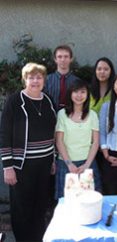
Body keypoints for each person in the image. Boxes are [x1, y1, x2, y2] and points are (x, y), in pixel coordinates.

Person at [0, 63, 56, 241]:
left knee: (40, 207)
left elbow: (53, 132)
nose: (35, 81)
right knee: (22, 209)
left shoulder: (48, 101)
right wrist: (7, 166)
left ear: (44, 81)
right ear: (25, 79)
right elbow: (4, 134)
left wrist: (53, 159)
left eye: (39, 77)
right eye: (31, 77)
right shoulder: (14, 101)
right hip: (21, 166)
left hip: (44, 165)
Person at [55, 79, 101, 199]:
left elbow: (95, 142)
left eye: (83, 92)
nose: (79, 95)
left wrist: (87, 164)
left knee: (89, 200)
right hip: (66, 164)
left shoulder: (93, 115)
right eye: (76, 92)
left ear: (87, 94)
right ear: (70, 93)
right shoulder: (62, 114)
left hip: (87, 163)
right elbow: (59, 141)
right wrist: (69, 164)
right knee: (66, 201)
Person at [44, 44, 78, 110]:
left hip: (70, 117)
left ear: (71, 59)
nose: (63, 59)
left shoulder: (77, 82)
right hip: (51, 116)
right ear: (55, 59)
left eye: (66, 56)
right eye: (59, 57)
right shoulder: (46, 80)